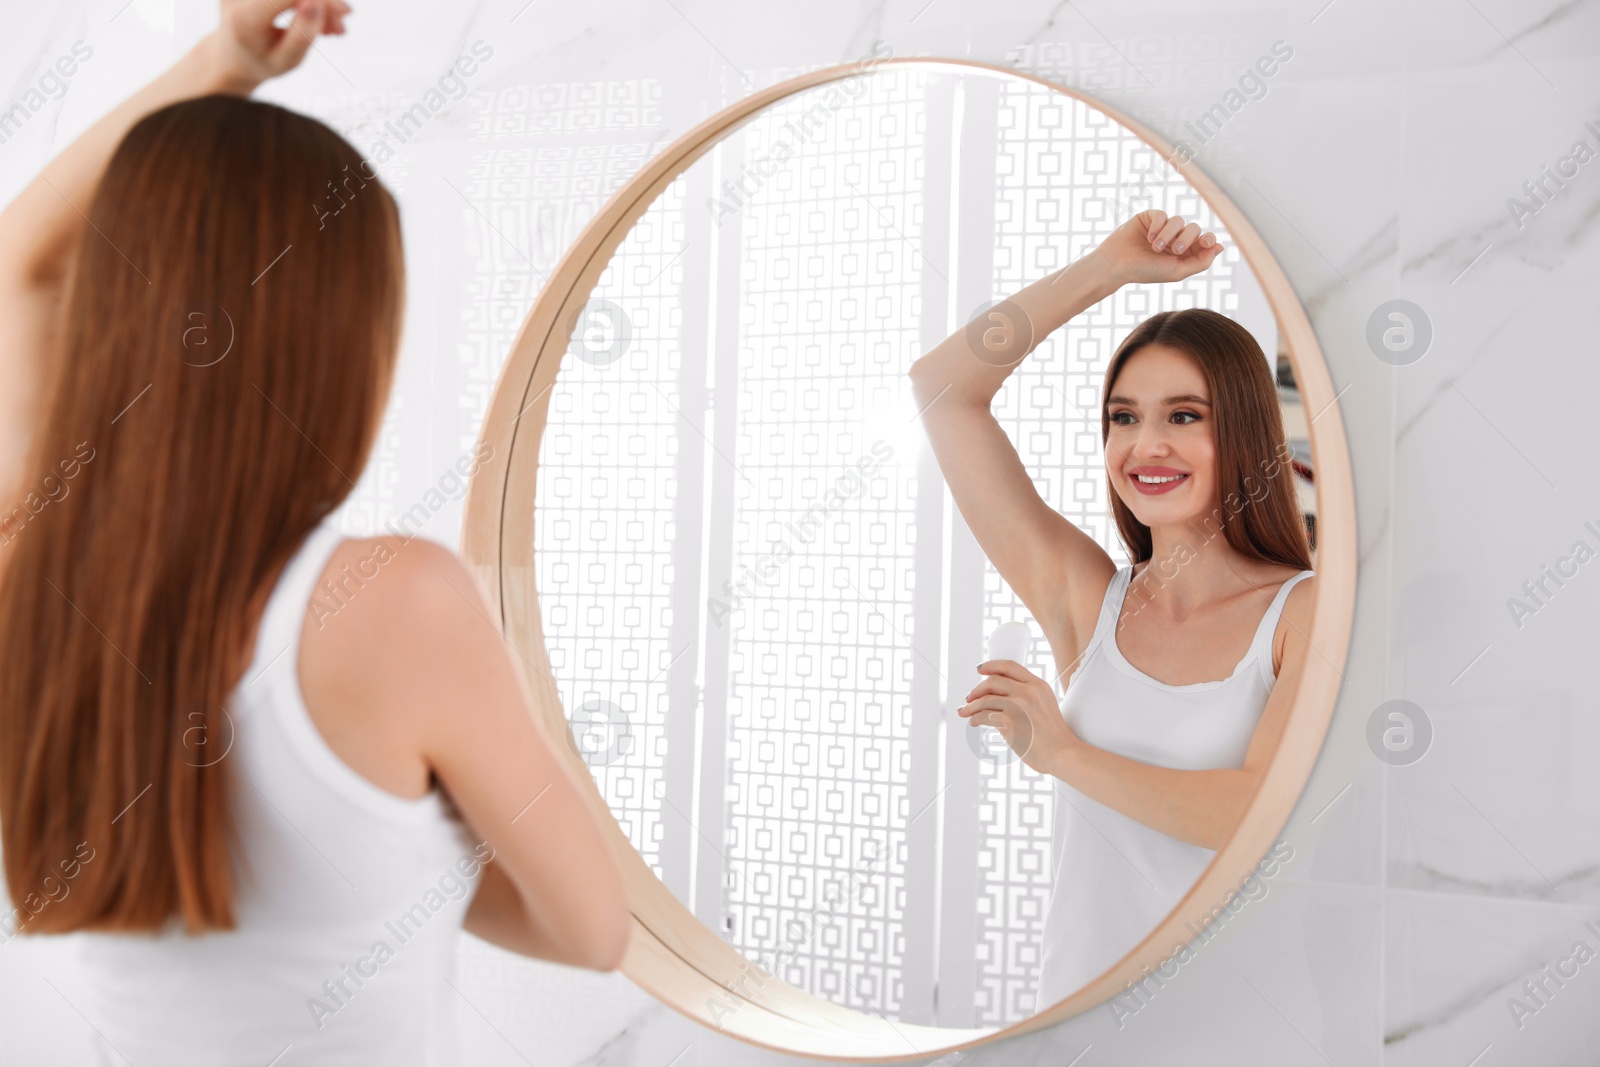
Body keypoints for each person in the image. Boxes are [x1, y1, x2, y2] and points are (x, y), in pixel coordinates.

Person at [0, 2, 630, 1062]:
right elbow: (592, 927)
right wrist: (404, 841)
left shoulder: (32, 568)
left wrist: (225, 63)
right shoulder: (397, 600)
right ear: (344, 338)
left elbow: (22, 267)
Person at [907, 210, 1316, 1010]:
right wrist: (1104, 270)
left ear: (1240, 429)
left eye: (1183, 415)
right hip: (1083, 1014)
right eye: (1123, 417)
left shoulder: (1301, 610)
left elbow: (1256, 812)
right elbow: (942, 390)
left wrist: (1061, 751)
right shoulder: (1090, 601)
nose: (1145, 445)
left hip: (1244, 1024)